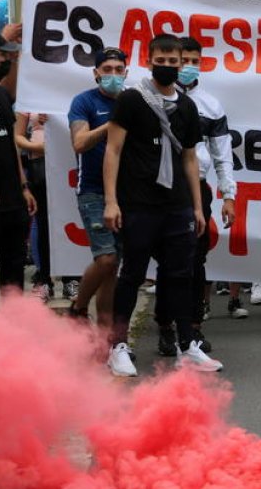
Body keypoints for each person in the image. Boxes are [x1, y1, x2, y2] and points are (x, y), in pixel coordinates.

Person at [103, 34, 221, 375]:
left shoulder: (186, 106)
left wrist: (197, 207)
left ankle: (188, 345)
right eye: (162, 60)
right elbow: (113, 150)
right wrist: (111, 202)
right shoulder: (131, 99)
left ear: (182, 63)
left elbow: (189, 159)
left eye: (174, 61)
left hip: (177, 205)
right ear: (150, 58)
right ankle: (118, 346)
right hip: (138, 203)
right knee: (133, 274)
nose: (168, 66)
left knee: (180, 275)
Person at [153, 36, 237, 354]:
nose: (187, 67)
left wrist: (229, 194)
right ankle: (165, 325)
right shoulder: (150, 97)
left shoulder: (211, 105)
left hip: (197, 188)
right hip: (160, 187)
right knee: (166, 260)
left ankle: (195, 329)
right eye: (181, 60)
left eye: (193, 61)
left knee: (196, 258)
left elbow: (222, 154)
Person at [66, 47, 128, 324]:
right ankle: (78, 308)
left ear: (126, 73)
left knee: (112, 269)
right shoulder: (84, 102)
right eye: (107, 70)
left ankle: (105, 340)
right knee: (106, 260)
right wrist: (112, 123)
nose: (113, 75)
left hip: (128, 193)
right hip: (93, 190)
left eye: (118, 70)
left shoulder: (133, 100)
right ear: (96, 73)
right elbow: (79, 143)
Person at [0, 41, 37, 293]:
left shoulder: (2, 95)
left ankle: (14, 318)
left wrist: (23, 185)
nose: (5, 60)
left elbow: (9, 146)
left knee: (14, 262)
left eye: (10, 56)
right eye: (1, 55)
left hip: (13, 193)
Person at [15, 110, 51, 300]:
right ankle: (44, 278)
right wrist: (36, 146)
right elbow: (17, 137)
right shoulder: (28, 96)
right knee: (43, 223)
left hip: (68, 166)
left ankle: (73, 280)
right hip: (39, 166)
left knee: (69, 223)